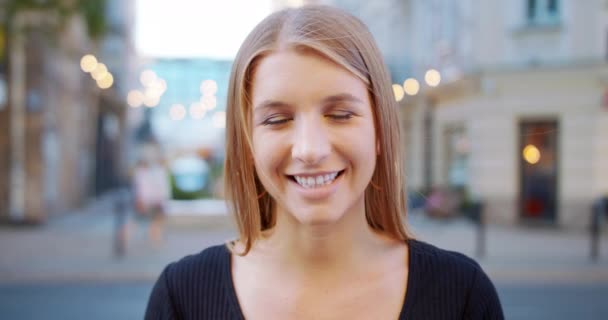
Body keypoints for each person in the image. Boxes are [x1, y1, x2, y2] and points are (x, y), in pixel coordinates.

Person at [145, 5, 503, 319]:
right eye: (277, 119)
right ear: (248, 142)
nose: (309, 149)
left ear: (379, 130)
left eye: (340, 114)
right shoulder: (182, 298)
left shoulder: (463, 297)